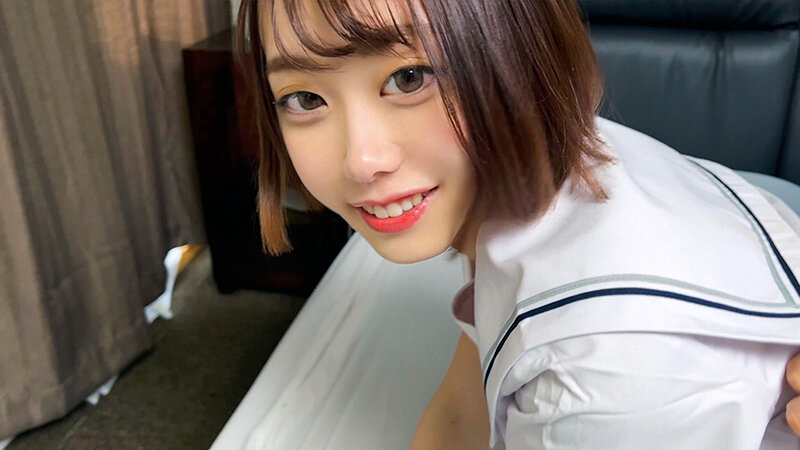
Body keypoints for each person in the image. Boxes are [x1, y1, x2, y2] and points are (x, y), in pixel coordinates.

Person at [233, 0, 800, 448]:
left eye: (408, 78)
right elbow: (460, 413)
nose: (361, 161)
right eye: (303, 98)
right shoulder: (533, 174)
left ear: (522, 56)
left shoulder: (601, 388)